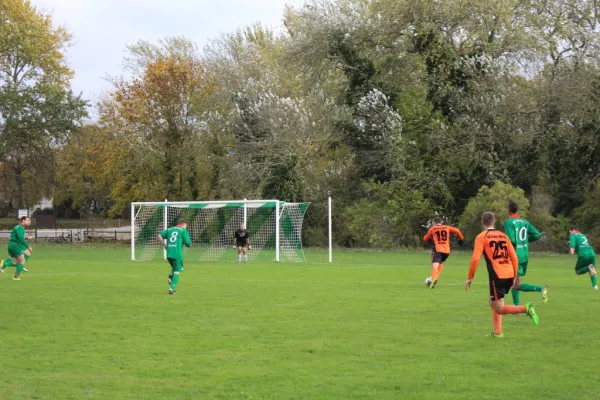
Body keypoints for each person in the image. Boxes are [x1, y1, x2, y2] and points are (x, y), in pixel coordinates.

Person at [465, 212, 539, 338]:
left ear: (482, 222)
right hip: (509, 272)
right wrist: (515, 276)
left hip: (497, 275)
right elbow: (514, 257)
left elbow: (475, 259)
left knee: (499, 308)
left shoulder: (481, 237)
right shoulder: (503, 236)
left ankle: (526, 309)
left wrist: (470, 277)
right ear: (494, 221)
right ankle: (498, 332)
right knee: (492, 300)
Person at [504, 201, 547, 305]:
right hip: (524, 255)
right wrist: (525, 240)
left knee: (514, 284)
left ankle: (540, 289)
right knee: (515, 283)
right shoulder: (525, 222)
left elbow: (511, 240)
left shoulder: (508, 222)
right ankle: (516, 306)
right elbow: (537, 235)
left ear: (508, 209)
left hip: (515, 255)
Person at [422, 216, 464, 289]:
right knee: (440, 264)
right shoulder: (447, 227)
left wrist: (430, 240)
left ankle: (433, 280)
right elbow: (457, 230)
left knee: (435, 265)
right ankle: (434, 278)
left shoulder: (433, 229)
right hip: (447, 250)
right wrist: (461, 238)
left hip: (438, 249)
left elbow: (425, 238)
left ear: (434, 223)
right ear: (440, 222)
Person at [158, 219, 191, 295]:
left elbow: (159, 236)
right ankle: (171, 289)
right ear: (184, 224)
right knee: (177, 271)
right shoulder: (183, 231)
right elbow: (188, 243)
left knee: (175, 268)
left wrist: (165, 245)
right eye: (186, 226)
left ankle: (171, 275)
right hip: (177, 254)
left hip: (169, 254)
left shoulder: (170, 229)